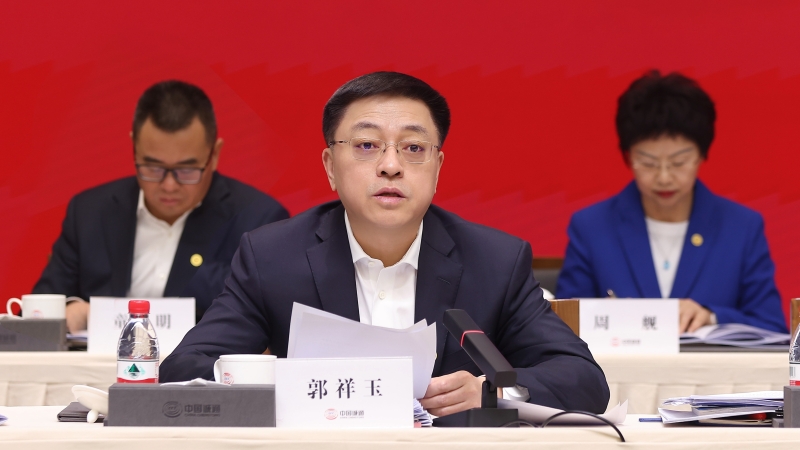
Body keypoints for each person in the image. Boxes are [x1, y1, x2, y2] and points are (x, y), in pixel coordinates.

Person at [160, 72, 609, 416]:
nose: (390, 165)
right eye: (366, 145)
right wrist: (288, 382)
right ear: (330, 166)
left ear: (438, 167)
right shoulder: (273, 258)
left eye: (413, 148)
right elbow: (182, 369)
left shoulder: (495, 262)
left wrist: (491, 392)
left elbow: (584, 380)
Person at [33, 80, 288, 332]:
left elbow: (268, 319)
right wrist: (70, 311)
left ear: (215, 154)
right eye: (153, 168)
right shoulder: (90, 212)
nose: (169, 186)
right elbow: (40, 311)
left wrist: (99, 314)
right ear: (134, 148)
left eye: (186, 170)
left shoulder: (259, 221)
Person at [556, 71, 786, 333]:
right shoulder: (591, 227)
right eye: (648, 163)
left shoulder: (742, 227)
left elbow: (773, 328)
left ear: (702, 155)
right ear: (628, 157)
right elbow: (563, 326)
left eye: (678, 162)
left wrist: (711, 317)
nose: (664, 178)